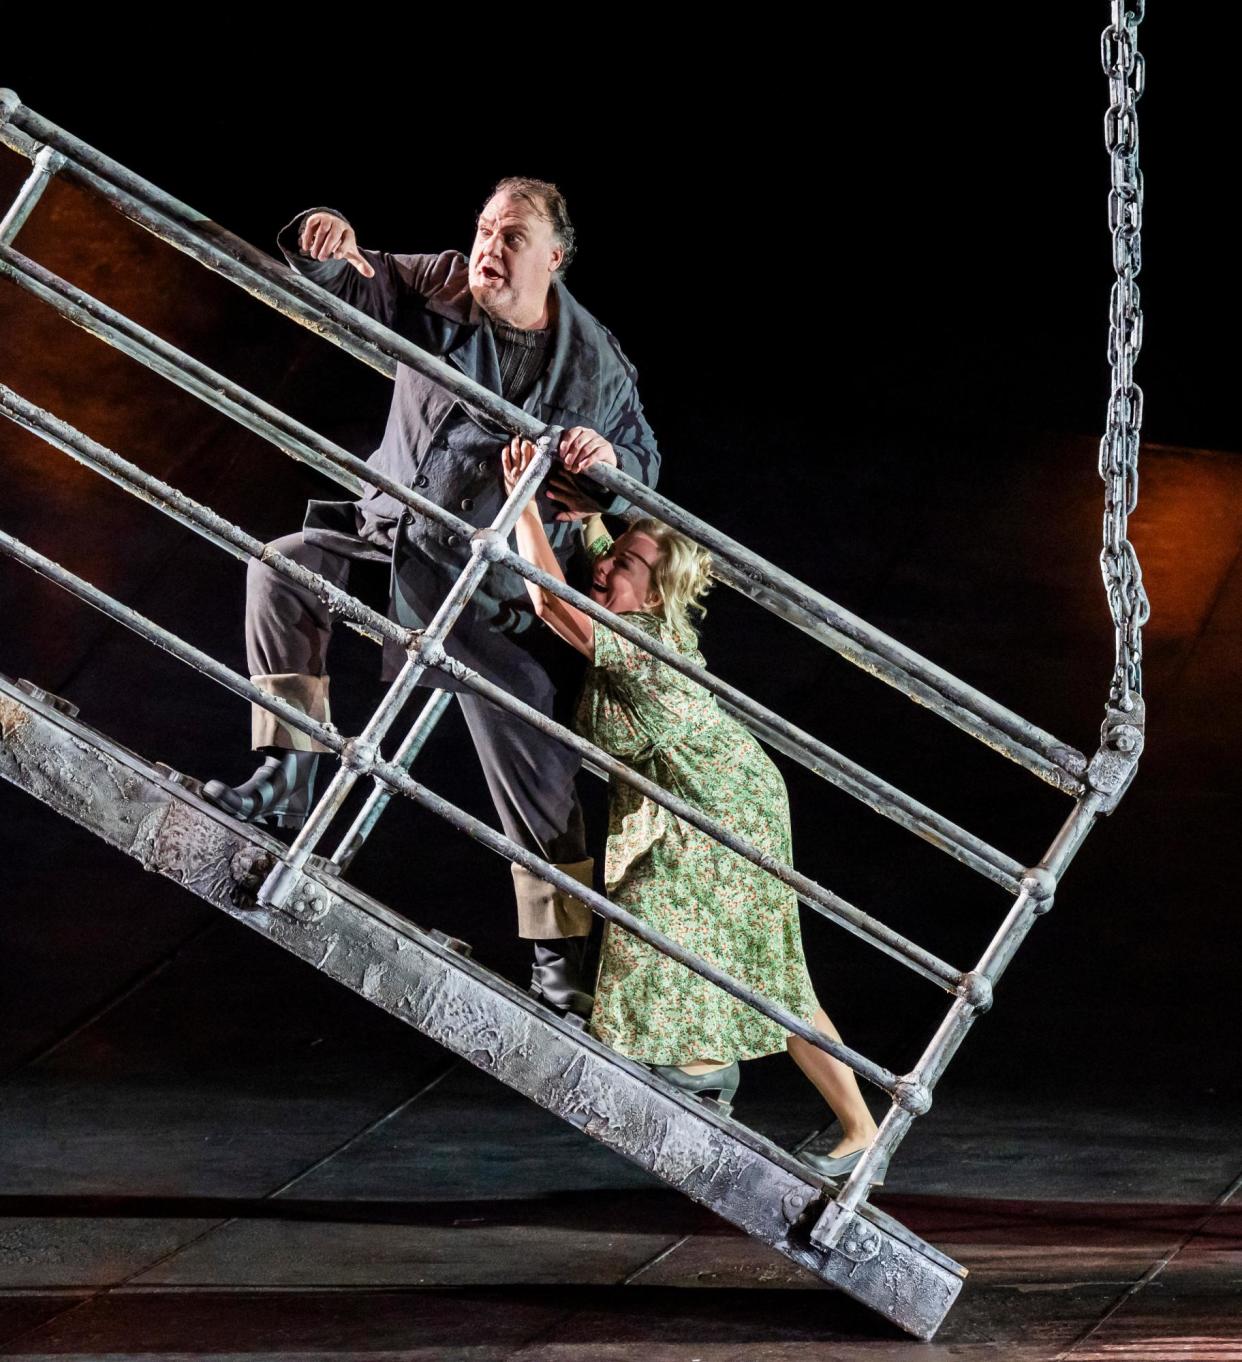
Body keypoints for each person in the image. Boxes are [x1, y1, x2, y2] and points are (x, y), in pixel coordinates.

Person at [202, 178, 661, 1017]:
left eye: (512, 236)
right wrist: (325, 237)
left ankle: (559, 955)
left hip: (493, 590)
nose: (489, 246)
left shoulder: (598, 365)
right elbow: (358, 279)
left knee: (533, 738)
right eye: (485, 227)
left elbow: (642, 465)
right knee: (281, 568)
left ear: (554, 258)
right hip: (394, 538)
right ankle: (285, 772)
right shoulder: (444, 280)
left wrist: (612, 475)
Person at [501, 438, 882, 1180]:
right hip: (705, 791)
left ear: (658, 592)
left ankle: (705, 1073)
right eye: (611, 560)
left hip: (720, 801)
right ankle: (859, 1126)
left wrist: (523, 506)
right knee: (769, 971)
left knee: (656, 916)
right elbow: (617, 554)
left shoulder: (640, 640)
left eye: (625, 569)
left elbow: (550, 600)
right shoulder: (638, 602)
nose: (605, 570)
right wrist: (590, 518)